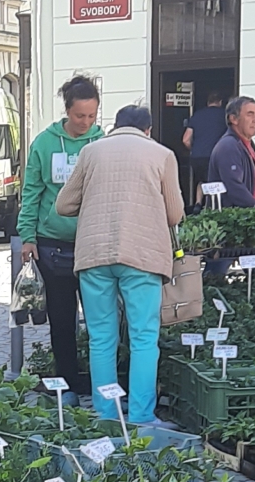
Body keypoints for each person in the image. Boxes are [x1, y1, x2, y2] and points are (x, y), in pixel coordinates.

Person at [56, 103, 185, 423]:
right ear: (148, 130)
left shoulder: (91, 152)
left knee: (101, 338)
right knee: (143, 338)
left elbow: (63, 205)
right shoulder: (162, 154)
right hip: (142, 255)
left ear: (114, 125)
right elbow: (174, 214)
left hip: (94, 254)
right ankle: (141, 415)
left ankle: (106, 413)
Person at [17, 75, 102, 390]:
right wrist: (28, 236)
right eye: (80, 116)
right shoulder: (44, 143)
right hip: (52, 244)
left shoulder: (101, 142)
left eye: (92, 115)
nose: (86, 122)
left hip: (93, 242)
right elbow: (31, 192)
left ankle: (99, 379)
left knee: (99, 319)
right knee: (62, 319)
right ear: (67, 111)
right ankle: (66, 381)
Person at [207, 96, 255, 209]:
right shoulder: (228, 146)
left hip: (249, 215)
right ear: (233, 119)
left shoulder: (246, 144)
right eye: (250, 114)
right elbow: (234, 187)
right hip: (236, 216)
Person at [180, 95, 228, 205]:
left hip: (197, 157)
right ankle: (212, 206)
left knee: (201, 180)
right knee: (215, 181)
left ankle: (198, 203)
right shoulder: (224, 116)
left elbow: (186, 139)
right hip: (215, 156)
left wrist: (194, 149)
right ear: (220, 102)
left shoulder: (197, 115)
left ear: (207, 102)